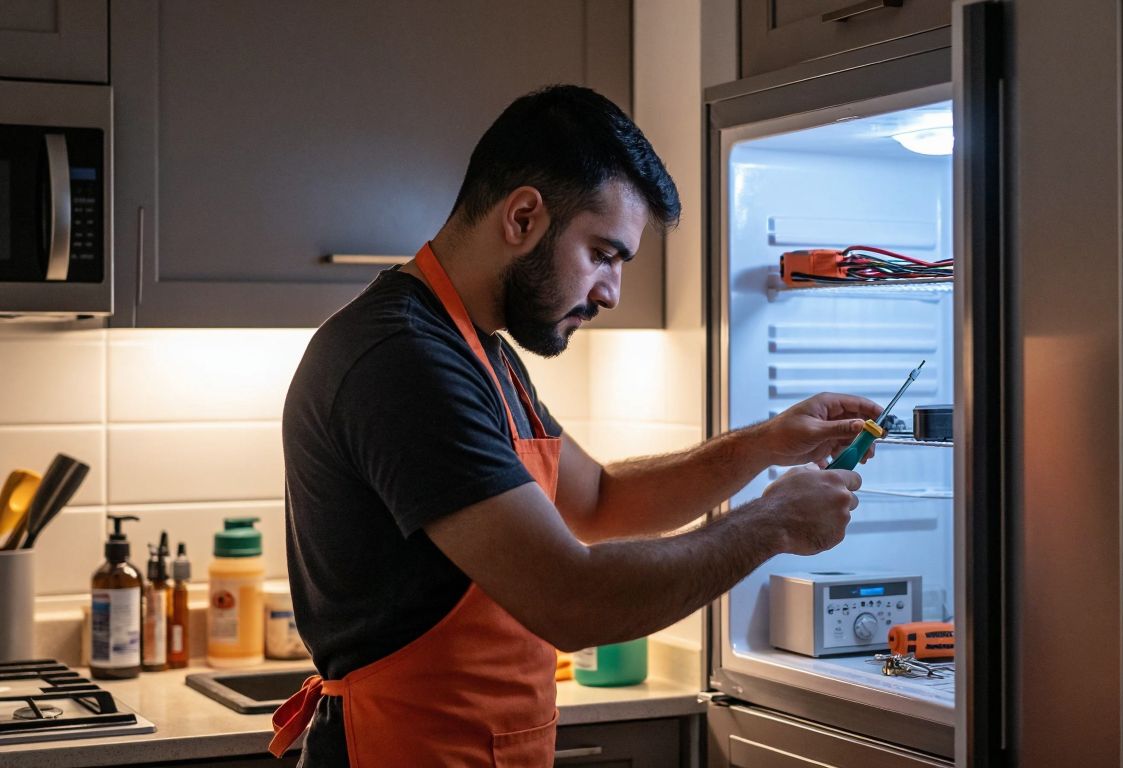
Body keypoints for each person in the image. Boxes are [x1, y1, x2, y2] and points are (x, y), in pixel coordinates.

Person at [269, 85, 879, 767]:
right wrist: (772, 525)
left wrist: (763, 444)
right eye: (604, 254)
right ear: (524, 216)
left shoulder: (480, 350)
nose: (611, 292)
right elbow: (570, 600)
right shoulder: (404, 361)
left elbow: (598, 502)